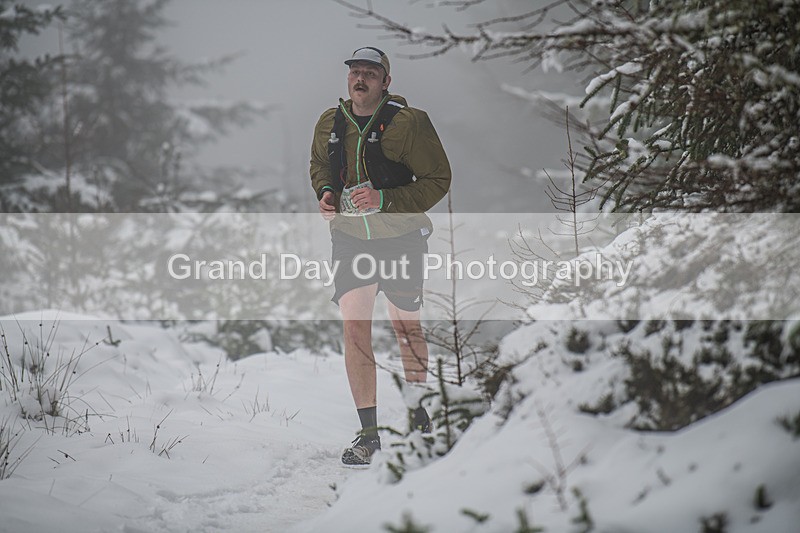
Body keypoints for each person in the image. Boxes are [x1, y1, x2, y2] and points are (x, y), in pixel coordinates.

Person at [309, 47, 451, 466]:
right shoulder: (329, 122)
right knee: (355, 328)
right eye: (355, 72)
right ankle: (368, 435)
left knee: (405, 327)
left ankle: (419, 416)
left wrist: (384, 198)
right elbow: (319, 165)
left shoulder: (409, 123)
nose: (360, 79)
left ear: (386, 82)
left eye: (370, 73)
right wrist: (326, 193)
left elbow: (439, 179)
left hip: (401, 235)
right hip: (351, 237)